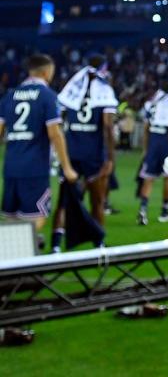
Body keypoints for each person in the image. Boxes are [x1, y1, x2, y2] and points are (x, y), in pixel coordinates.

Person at [1, 54, 78, 244]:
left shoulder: (10, 95)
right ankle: (25, 251)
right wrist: (66, 167)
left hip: (11, 166)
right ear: (46, 72)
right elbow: (55, 133)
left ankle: (13, 266)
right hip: (34, 167)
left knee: (11, 218)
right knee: (37, 216)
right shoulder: (48, 96)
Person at [51, 54, 118, 252]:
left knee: (64, 201)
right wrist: (110, 157)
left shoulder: (72, 88)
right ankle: (99, 244)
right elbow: (107, 126)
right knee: (97, 200)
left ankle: (55, 245)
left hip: (71, 150)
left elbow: (59, 120)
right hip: (93, 153)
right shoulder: (104, 91)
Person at [138, 80, 168, 225]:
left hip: (153, 143)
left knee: (148, 178)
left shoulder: (151, 103)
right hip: (165, 144)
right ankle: (164, 212)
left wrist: (145, 148)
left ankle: (142, 211)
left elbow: (145, 128)